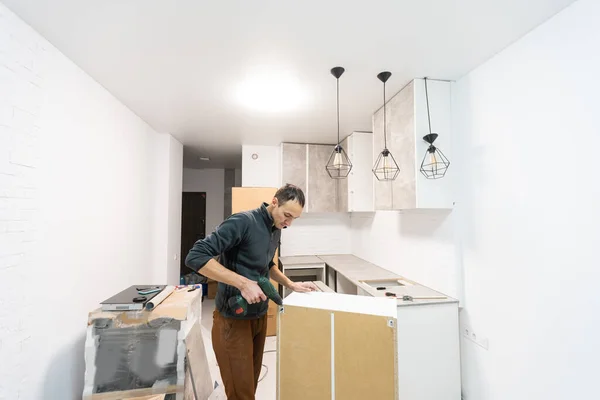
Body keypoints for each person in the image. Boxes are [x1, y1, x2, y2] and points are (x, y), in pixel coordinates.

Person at [185, 183, 317, 400]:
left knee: (249, 387)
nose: (289, 223)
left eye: (294, 218)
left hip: (258, 316)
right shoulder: (243, 222)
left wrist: (291, 284)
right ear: (274, 202)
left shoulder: (276, 228)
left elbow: (267, 265)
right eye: (287, 215)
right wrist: (243, 283)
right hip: (232, 320)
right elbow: (196, 256)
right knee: (240, 394)